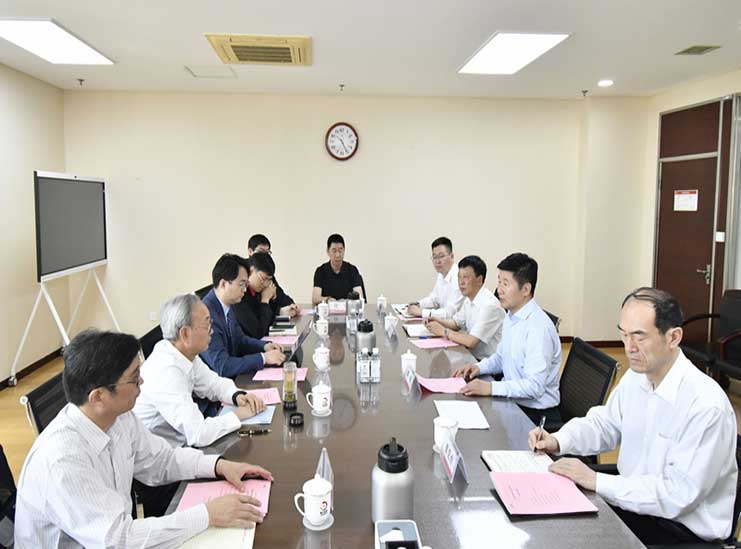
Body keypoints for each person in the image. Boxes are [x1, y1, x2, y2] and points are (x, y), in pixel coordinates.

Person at [14, 329, 273, 548]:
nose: (142, 382)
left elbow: (161, 460)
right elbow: (119, 539)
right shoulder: (62, 460)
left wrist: (218, 465)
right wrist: (208, 514)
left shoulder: (118, 416)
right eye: (134, 379)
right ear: (98, 397)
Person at [529, 287, 738, 545]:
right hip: (636, 507)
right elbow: (604, 424)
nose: (629, 348)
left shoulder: (705, 405)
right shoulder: (637, 377)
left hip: (681, 532)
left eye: (639, 336)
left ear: (673, 337)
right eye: (624, 334)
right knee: (548, 522)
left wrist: (596, 480)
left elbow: (676, 496)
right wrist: (558, 440)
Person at [134, 293, 266, 449]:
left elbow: (212, 383)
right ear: (185, 333)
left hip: (181, 445)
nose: (212, 331)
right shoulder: (165, 372)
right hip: (165, 454)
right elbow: (198, 433)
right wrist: (238, 415)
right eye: (206, 324)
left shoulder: (184, 353)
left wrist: (237, 395)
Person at [453, 253, 562, 424]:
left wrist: (490, 388)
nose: (499, 290)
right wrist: (477, 368)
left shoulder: (538, 329)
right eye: (499, 282)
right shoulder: (511, 317)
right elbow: (501, 357)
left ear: (526, 289)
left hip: (535, 416)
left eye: (506, 283)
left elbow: (534, 387)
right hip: (513, 402)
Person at [201, 253, 286, 379]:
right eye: (241, 284)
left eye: (246, 284)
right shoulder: (206, 315)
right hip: (216, 385)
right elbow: (223, 366)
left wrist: (264, 346)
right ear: (223, 284)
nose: (245, 290)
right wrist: (263, 358)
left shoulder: (227, 305)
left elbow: (240, 340)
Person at [425, 255, 504, 360]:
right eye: (459, 277)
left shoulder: (489, 305)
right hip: (471, 357)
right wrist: (437, 320)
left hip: (488, 364)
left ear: (479, 280)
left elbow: (471, 342)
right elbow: (456, 323)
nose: (461, 282)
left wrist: (444, 331)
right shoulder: (469, 299)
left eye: (465, 277)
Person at [406, 236, 464, 320]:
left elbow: (449, 313)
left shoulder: (459, 278)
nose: (437, 261)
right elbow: (434, 300)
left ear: (452, 256)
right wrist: (418, 304)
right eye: (434, 257)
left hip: (457, 326)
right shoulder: (442, 274)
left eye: (441, 256)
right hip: (444, 323)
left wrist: (421, 312)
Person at [247, 233, 299, 317]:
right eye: (261, 251)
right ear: (250, 251)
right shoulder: (243, 276)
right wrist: (267, 301)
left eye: (267, 252)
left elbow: (280, 295)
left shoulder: (267, 273)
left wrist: (290, 306)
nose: (264, 255)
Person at [232, 252, 279, 339]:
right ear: (252, 270)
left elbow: (269, 323)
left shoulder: (258, 290)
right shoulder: (239, 295)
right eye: (263, 279)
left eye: (269, 280)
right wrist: (265, 301)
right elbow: (258, 332)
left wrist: (273, 300)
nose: (265, 284)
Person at [312, 233, 364, 304]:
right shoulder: (320, 271)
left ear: (344, 250)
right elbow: (315, 298)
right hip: (328, 309)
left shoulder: (352, 270)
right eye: (334, 251)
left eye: (340, 250)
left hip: (348, 309)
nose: (337, 255)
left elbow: (359, 296)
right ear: (328, 251)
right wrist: (328, 299)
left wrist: (346, 301)